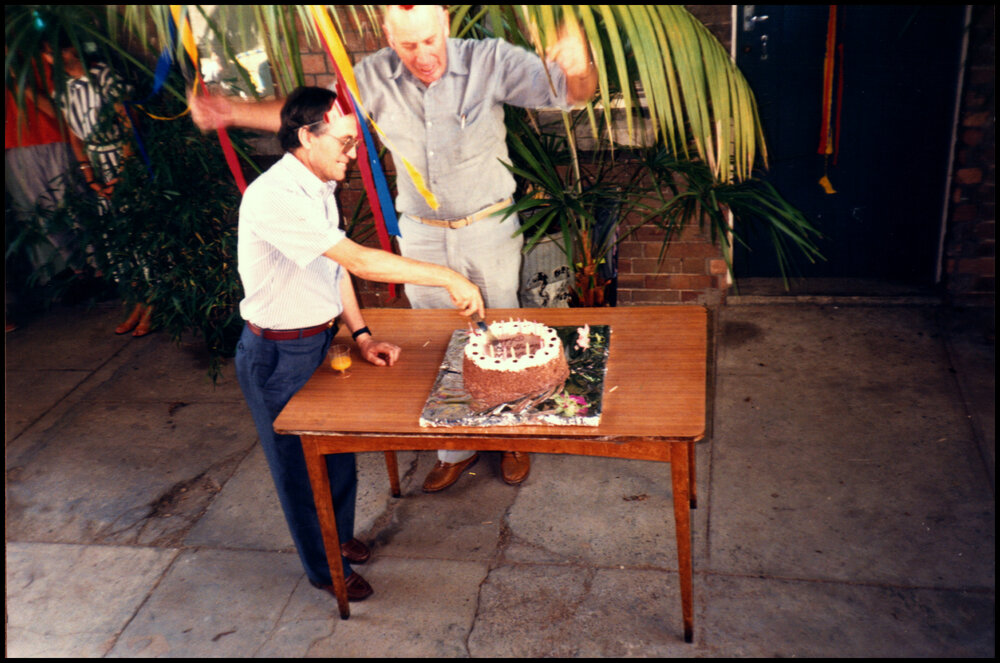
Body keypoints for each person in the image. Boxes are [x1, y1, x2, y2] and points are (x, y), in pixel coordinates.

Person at [189, 4, 597, 493]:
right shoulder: (372, 76)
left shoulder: (489, 60)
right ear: (387, 36)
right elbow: (309, 120)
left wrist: (579, 64)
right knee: (437, 343)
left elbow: (573, 92)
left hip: (487, 225)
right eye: (407, 45)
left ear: (445, 23)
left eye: (430, 41)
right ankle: (455, 446)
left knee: (501, 336)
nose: (422, 56)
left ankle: (510, 438)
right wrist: (231, 111)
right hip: (421, 232)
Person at [234, 86, 484, 602]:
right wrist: (449, 277)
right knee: (300, 471)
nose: (353, 154)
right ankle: (325, 568)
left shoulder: (318, 183)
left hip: (321, 342)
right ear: (307, 136)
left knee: (338, 449)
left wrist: (362, 334)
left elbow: (336, 267)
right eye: (345, 143)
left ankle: (339, 534)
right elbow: (360, 261)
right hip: (277, 354)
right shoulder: (275, 196)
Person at [42, 39, 154, 337]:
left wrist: (123, 173)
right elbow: (74, 136)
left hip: (121, 158)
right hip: (96, 164)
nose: (52, 56)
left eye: (56, 49)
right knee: (116, 234)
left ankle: (153, 300)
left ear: (72, 47)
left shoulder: (105, 77)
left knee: (138, 229)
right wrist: (89, 175)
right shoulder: (61, 89)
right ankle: (136, 299)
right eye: (47, 52)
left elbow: (130, 125)